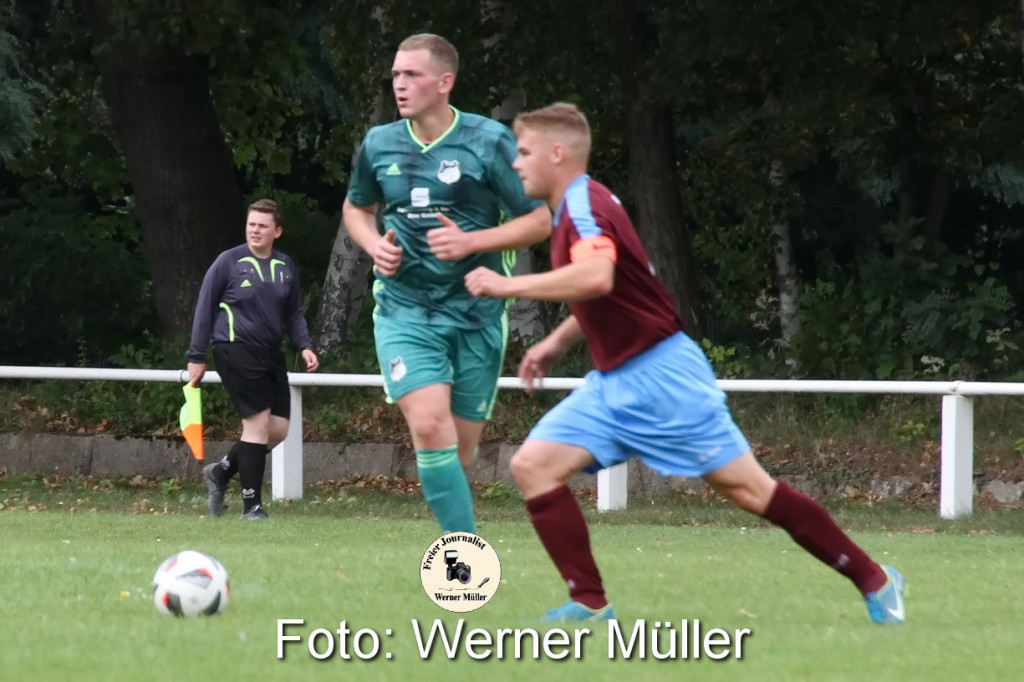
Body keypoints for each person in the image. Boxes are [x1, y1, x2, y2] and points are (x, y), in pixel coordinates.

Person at [464, 102, 907, 624]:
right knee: (533, 466)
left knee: (749, 490)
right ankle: (589, 603)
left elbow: (597, 278)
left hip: (663, 377)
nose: (516, 164)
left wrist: (506, 285)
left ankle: (875, 580)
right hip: (612, 383)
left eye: (524, 152)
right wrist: (557, 341)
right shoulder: (572, 208)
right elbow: (617, 291)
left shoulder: (585, 205)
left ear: (558, 154)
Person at [342, 33, 550, 534]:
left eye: (411, 74)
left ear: (444, 82)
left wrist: (473, 242)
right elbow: (356, 208)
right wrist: (374, 247)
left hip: (477, 311)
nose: (400, 84)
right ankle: (465, 554)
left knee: (460, 449)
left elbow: (539, 220)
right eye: (395, 74)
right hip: (404, 309)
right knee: (430, 427)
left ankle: (457, 537)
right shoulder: (379, 142)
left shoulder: (488, 140)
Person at [186, 198, 319, 520]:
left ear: (277, 231)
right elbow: (204, 307)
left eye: (262, 226)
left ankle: (221, 472)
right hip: (235, 349)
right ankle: (252, 506)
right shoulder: (228, 262)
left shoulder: (285, 266)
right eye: (251, 224)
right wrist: (196, 354)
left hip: (271, 354)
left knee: (279, 429)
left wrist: (304, 345)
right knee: (257, 426)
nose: (255, 230)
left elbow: (294, 312)